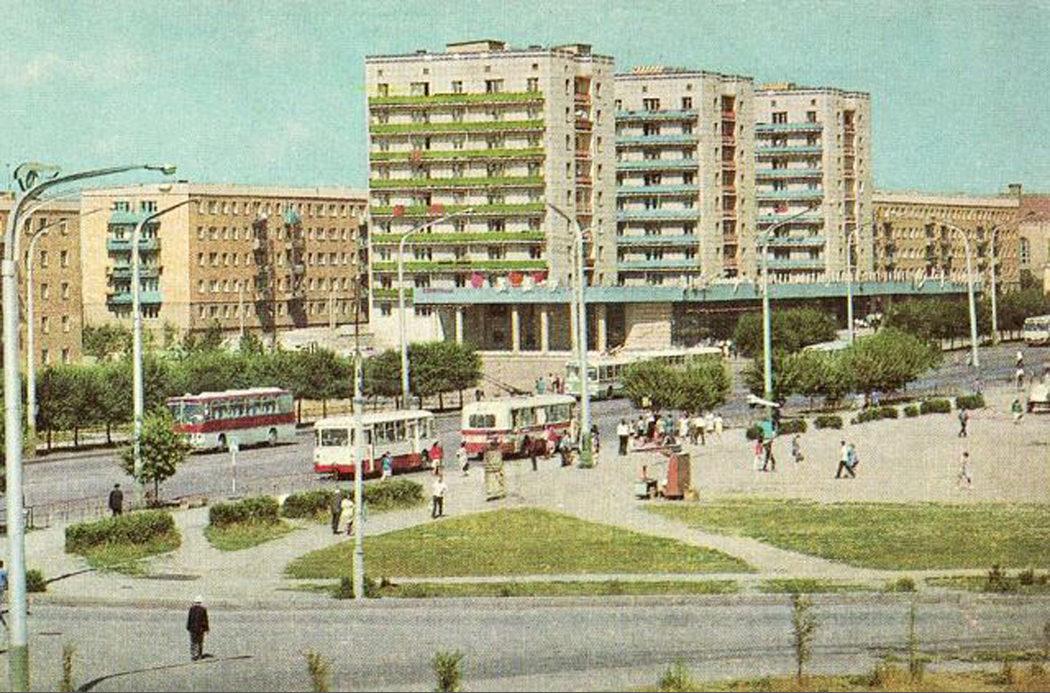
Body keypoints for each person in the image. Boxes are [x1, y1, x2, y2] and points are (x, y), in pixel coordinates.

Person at [186, 596, 209, 661]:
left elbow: (189, 619)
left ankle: (193, 655)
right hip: (200, 629)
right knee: (200, 642)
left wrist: (188, 627)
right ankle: (199, 655)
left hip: (192, 629)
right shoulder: (203, 609)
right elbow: (205, 620)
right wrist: (207, 629)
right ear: (200, 602)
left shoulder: (191, 609)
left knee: (193, 642)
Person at [0, 559, 7, 629]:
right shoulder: (3, 571)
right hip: (1, 587)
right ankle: (5, 625)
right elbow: (6, 579)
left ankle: (5, 625)